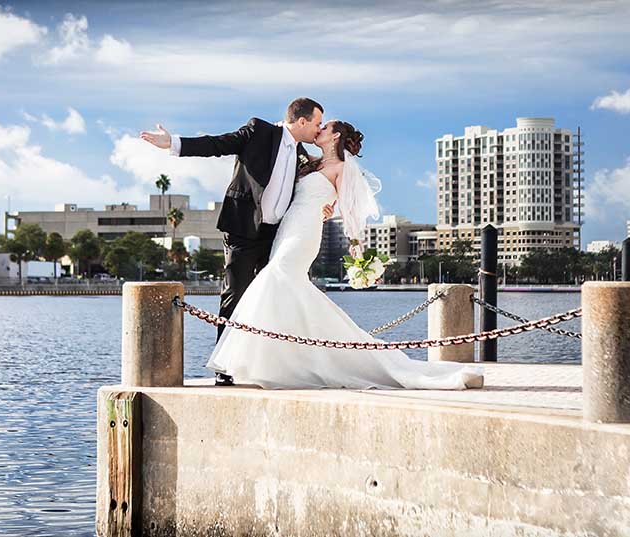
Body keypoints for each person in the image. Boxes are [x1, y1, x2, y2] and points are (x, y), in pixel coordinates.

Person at [204, 120, 484, 390]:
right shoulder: (310, 162)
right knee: (288, 290)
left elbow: (350, 208)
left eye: (325, 127)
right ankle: (286, 360)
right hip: (286, 230)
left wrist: (354, 242)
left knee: (276, 278)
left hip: (305, 234)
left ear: (335, 136)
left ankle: (278, 359)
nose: (319, 129)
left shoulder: (341, 168)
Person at [140, 98, 334, 386]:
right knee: (235, 294)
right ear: (302, 121)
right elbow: (217, 145)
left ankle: (272, 364)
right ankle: (225, 365)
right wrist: (173, 143)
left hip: (277, 236)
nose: (318, 129)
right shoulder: (259, 131)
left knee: (274, 298)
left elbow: (307, 194)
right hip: (243, 230)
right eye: (317, 123)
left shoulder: (303, 156)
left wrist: (323, 208)